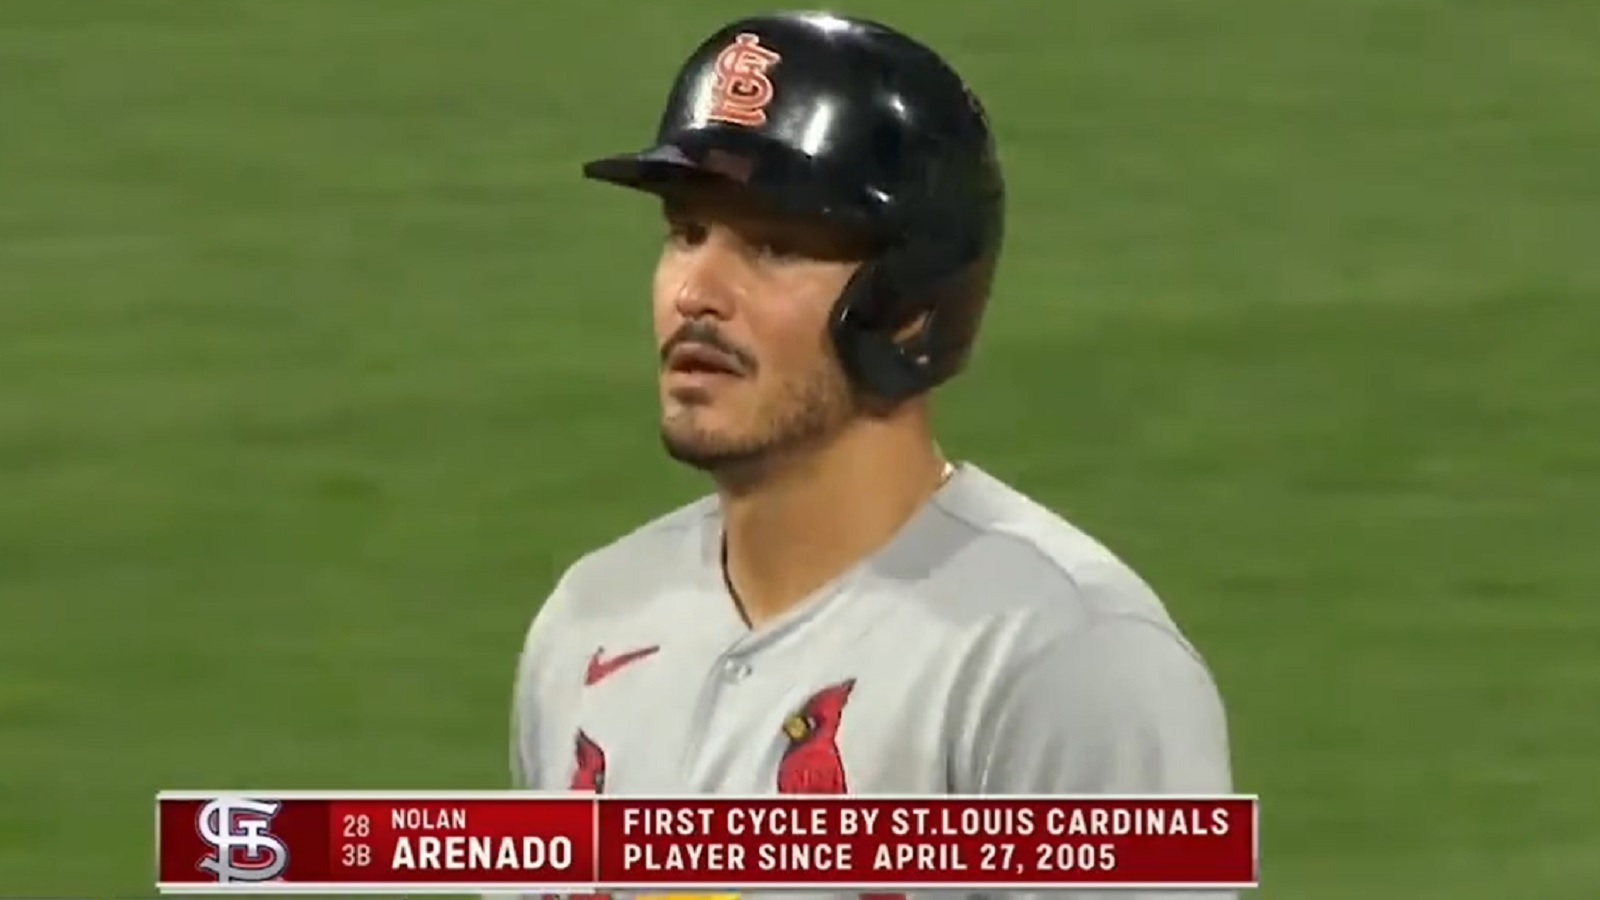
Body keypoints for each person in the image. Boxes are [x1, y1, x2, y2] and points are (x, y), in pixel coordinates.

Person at [507, 11, 1235, 899]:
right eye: (686, 231)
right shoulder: (590, 623)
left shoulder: (1065, 661)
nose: (697, 292)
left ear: (909, 305)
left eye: (773, 245)